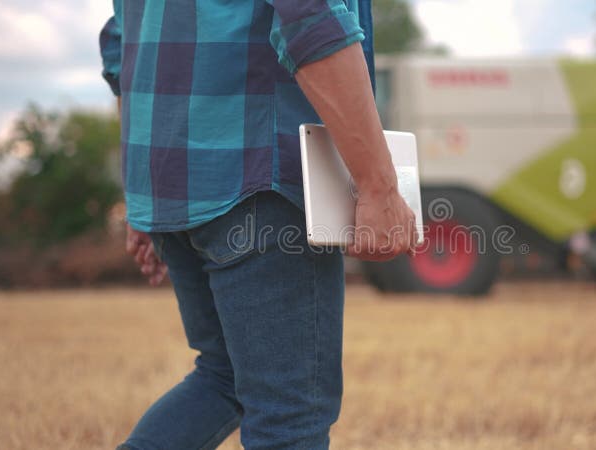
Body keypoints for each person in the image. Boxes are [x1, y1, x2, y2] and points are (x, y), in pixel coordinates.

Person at [99, 1, 417, 449]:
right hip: (256, 180)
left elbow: (121, 44)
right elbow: (312, 18)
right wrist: (378, 185)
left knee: (223, 376)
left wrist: (142, 194)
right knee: (290, 419)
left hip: (170, 183)